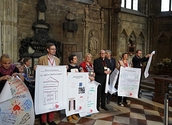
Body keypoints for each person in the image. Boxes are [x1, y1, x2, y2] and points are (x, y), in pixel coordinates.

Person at [38, 43, 60, 125]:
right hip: (45, 82)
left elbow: (58, 71)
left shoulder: (57, 59)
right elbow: (38, 71)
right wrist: (35, 68)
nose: (54, 50)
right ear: (48, 50)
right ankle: (43, 120)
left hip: (54, 82)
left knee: (52, 100)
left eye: (55, 49)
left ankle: (50, 119)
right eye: (52, 49)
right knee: (44, 101)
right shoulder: (42, 59)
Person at [67, 54, 80, 122]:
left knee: (75, 100)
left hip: (76, 86)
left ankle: (73, 113)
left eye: (76, 58)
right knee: (69, 100)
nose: (76, 60)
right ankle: (69, 115)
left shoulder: (78, 67)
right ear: (71, 60)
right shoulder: (68, 67)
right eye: (75, 59)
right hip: (69, 86)